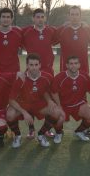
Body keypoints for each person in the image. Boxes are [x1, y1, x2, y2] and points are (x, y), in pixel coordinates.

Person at [6, 54, 62, 148]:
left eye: (36, 65)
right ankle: (17, 135)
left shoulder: (47, 77)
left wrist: (50, 101)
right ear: (27, 65)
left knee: (56, 112)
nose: (34, 67)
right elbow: (11, 100)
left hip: (39, 104)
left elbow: (48, 91)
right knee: (10, 114)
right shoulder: (21, 78)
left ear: (40, 65)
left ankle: (41, 134)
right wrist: (24, 113)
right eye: (31, 65)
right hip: (24, 104)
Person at [51, 56, 90, 143]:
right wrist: (59, 106)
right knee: (56, 117)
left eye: (76, 63)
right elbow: (54, 92)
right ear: (67, 65)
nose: (73, 66)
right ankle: (59, 133)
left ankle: (79, 131)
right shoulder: (60, 77)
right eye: (71, 64)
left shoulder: (84, 75)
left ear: (79, 65)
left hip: (79, 104)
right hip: (64, 105)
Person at [22, 8, 57, 139]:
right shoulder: (26, 32)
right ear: (33, 18)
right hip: (31, 70)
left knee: (49, 99)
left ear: (45, 18)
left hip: (47, 70)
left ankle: (46, 129)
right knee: (31, 98)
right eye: (37, 17)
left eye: (42, 17)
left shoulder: (51, 31)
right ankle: (31, 129)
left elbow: (60, 35)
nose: (40, 19)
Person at [56, 5, 90, 74]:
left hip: (82, 69)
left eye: (77, 14)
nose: (74, 17)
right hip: (66, 69)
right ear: (68, 16)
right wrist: (62, 26)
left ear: (80, 16)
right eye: (72, 14)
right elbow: (51, 40)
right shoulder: (62, 30)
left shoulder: (86, 29)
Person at [0, 7, 22, 74]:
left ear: (12, 19)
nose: (5, 19)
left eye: (8, 17)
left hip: (14, 72)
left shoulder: (18, 32)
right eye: (3, 17)